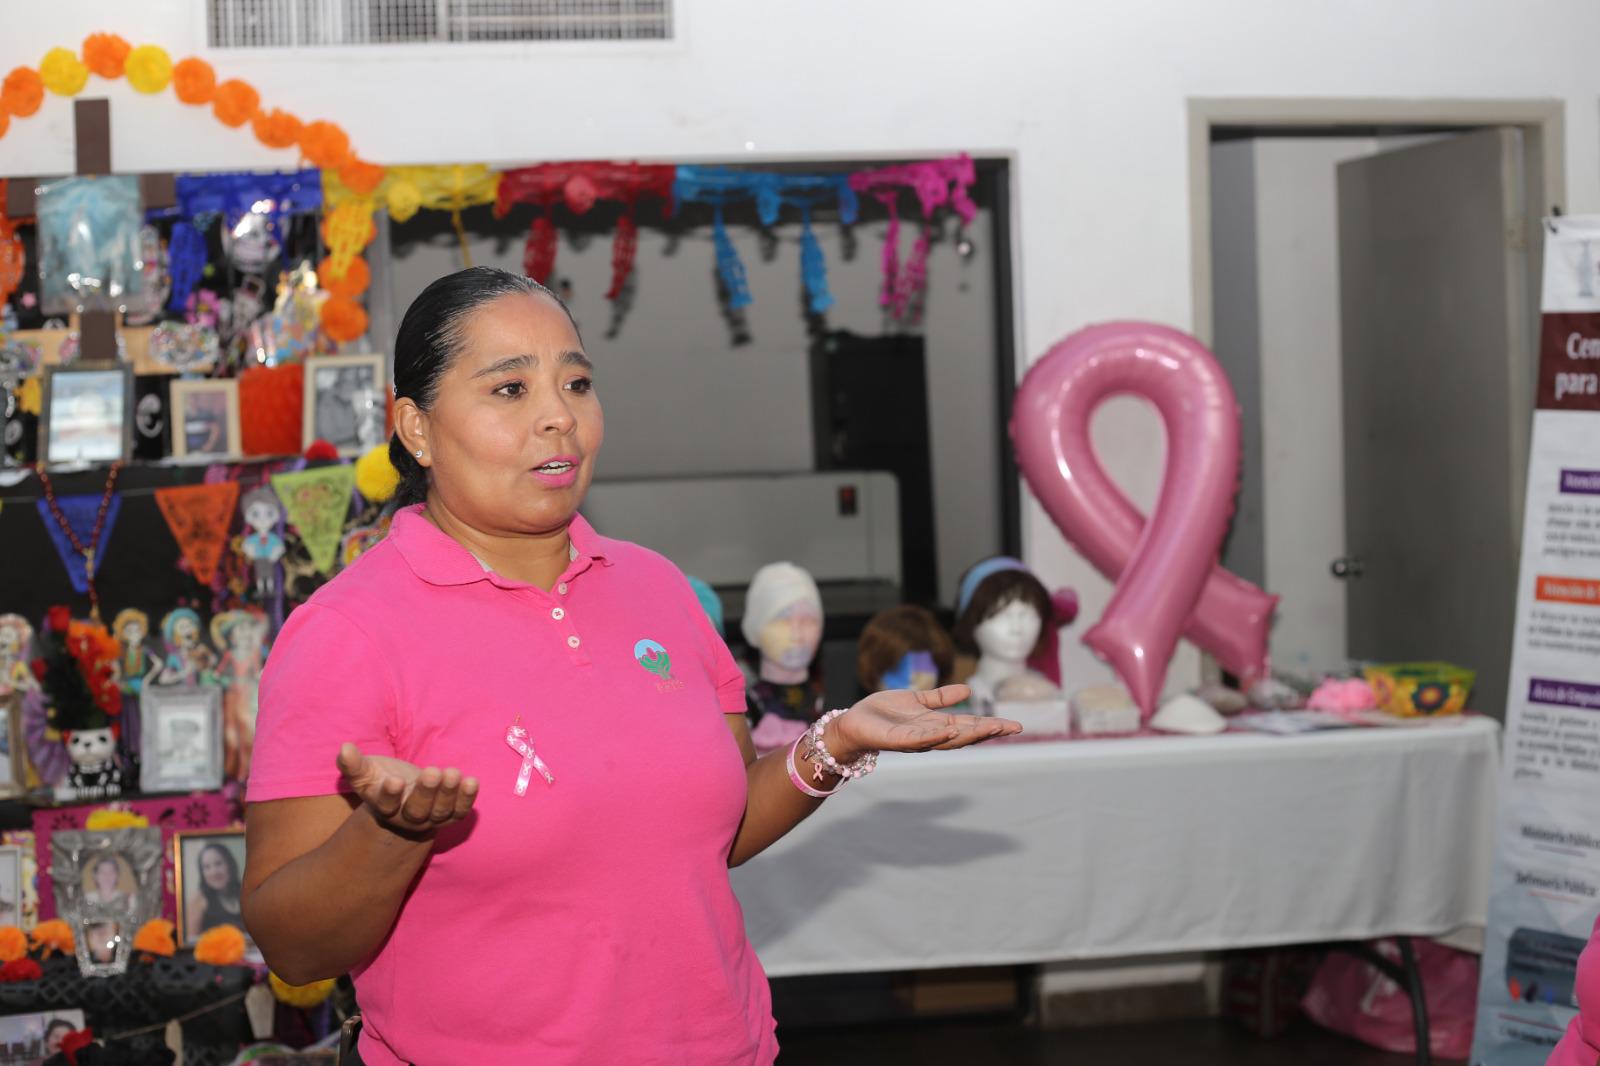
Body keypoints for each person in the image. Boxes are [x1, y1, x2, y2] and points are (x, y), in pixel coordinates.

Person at [242, 266, 1021, 1065]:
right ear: (416, 428)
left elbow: (711, 829)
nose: (559, 417)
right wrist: (392, 833)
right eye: (510, 390)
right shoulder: (347, 633)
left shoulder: (659, 589)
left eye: (576, 383)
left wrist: (837, 742)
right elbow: (294, 948)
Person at [186, 842, 244, 941]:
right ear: (202, 873)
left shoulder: (244, 891)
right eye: (207, 867)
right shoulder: (198, 900)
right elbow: (190, 943)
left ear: (230, 865)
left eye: (218, 863)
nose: (214, 872)